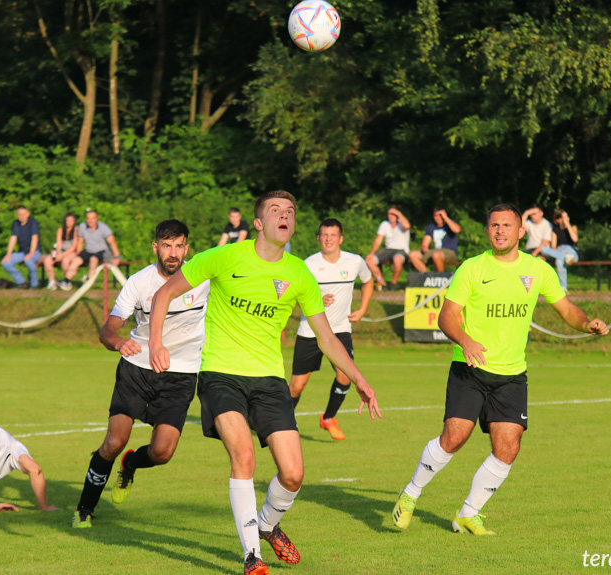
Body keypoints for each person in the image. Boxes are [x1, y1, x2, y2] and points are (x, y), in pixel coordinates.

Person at [148, 191, 382, 575]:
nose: (284, 215)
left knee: (293, 474)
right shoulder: (225, 256)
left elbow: (325, 336)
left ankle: (268, 524)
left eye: (290, 211)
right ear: (259, 223)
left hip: (270, 380)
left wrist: (359, 379)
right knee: (244, 456)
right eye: (275, 210)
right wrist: (156, 342)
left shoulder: (297, 272)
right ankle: (252, 555)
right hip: (221, 375)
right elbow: (164, 293)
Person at [391, 204, 608, 536]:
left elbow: (566, 309)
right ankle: (410, 496)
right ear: (487, 231)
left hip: (511, 375)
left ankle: (468, 514)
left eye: (507, 225)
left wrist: (586, 323)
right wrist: (465, 340)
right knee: (454, 437)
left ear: (521, 232)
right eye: (494, 225)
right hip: (470, 368)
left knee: (508, 447)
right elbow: (446, 317)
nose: (501, 231)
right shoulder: (471, 268)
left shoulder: (538, 270)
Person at [72, 219, 209, 529]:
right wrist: (119, 341)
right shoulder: (139, 282)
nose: (172, 253)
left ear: (186, 248)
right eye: (166, 245)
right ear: (155, 247)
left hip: (181, 375)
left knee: (162, 452)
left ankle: (131, 463)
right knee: (114, 440)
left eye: (178, 246)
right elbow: (109, 327)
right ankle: (84, 509)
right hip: (137, 370)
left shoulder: (203, 280)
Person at [288, 218, 375, 441]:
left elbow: (368, 280)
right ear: (318, 238)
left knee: (346, 375)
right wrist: (316, 298)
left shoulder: (354, 262)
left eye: (333, 235)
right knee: (297, 386)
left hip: (340, 330)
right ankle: (283, 421)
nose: (328, 239)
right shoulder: (307, 264)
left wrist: (362, 309)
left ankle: (328, 418)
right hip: (311, 331)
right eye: (324, 235)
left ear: (341, 239)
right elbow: (294, 294)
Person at [0, 206, 57, 290]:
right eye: (20, 214)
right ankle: (21, 282)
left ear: (28, 214)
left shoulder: (33, 222)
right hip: (22, 252)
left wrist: (31, 253)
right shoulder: (15, 223)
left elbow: (35, 238)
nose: (22, 216)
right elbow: (13, 239)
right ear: (17, 215)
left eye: (24, 214)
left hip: (35, 252)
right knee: (5, 262)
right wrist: (8, 254)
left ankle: (34, 284)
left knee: (28, 260)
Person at [63, 208, 122, 285]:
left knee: (93, 259)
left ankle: (88, 282)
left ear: (96, 219)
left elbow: (112, 242)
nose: (90, 221)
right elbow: (80, 242)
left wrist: (117, 257)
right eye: (88, 218)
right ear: (86, 219)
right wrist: (78, 253)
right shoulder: (82, 226)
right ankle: (66, 281)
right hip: (88, 251)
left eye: (92, 218)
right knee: (76, 260)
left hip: (101, 251)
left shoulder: (103, 227)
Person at [522, 205, 572, 291]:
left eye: (534, 213)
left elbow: (545, 243)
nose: (532, 215)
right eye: (531, 214)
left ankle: (535, 287)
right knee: (522, 261)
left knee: (539, 260)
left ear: (541, 213)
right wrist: (526, 213)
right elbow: (519, 228)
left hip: (541, 249)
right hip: (530, 249)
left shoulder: (547, 224)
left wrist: (535, 253)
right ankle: (526, 287)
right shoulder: (529, 223)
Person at [365, 204, 411, 290]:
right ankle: (382, 282)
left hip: (401, 250)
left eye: (393, 214)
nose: (391, 216)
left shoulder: (402, 224)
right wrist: (372, 253)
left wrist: (398, 213)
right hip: (388, 250)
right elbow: (378, 240)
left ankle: (394, 283)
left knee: (397, 260)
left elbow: (407, 226)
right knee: (369, 261)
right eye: (389, 214)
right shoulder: (384, 224)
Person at [408, 206, 462, 273]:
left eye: (440, 215)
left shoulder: (450, 223)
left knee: (436, 255)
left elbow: (457, 230)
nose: (438, 218)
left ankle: (441, 278)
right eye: (436, 216)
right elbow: (425, 244)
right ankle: (425, 276)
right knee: (412, 254)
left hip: (450, 252)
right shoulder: (431, 227)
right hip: (435, 251)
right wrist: (424, 248)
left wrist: (445, 217)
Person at [551, 209, 580, 289]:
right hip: (560, 251)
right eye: (564, 217)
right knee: (558, 260)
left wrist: (568, 225)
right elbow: (553, 246)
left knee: (560, 259)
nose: (567, 218)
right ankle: (563, 288)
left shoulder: (573, 227)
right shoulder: (555, 230)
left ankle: (563, 287)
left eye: (566, 216)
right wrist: (561, 253)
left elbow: (575, 239)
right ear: (558, 220)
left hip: (572, 250)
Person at [54, 212, 79, 291]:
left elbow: (74, 247)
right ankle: (56, 282)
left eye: (71, 220)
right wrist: (58, 253)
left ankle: (66, 281)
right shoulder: (61, 230)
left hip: (73, 252)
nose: (69, 222)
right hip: (63, 251)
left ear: (74, 221)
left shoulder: (76, 230)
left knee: (65, 260)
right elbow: (59, 243)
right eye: (67, 220)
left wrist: (62, 255)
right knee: (49, 259)